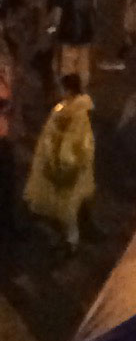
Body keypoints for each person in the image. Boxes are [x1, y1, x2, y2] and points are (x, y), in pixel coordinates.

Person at [24, 84, 95, 249]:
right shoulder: (69, 119)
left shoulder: (65, 119)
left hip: (68, 170)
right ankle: (71, 239)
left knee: (70, 204)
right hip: (67, 170)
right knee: (69, 206)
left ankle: (72, 236)